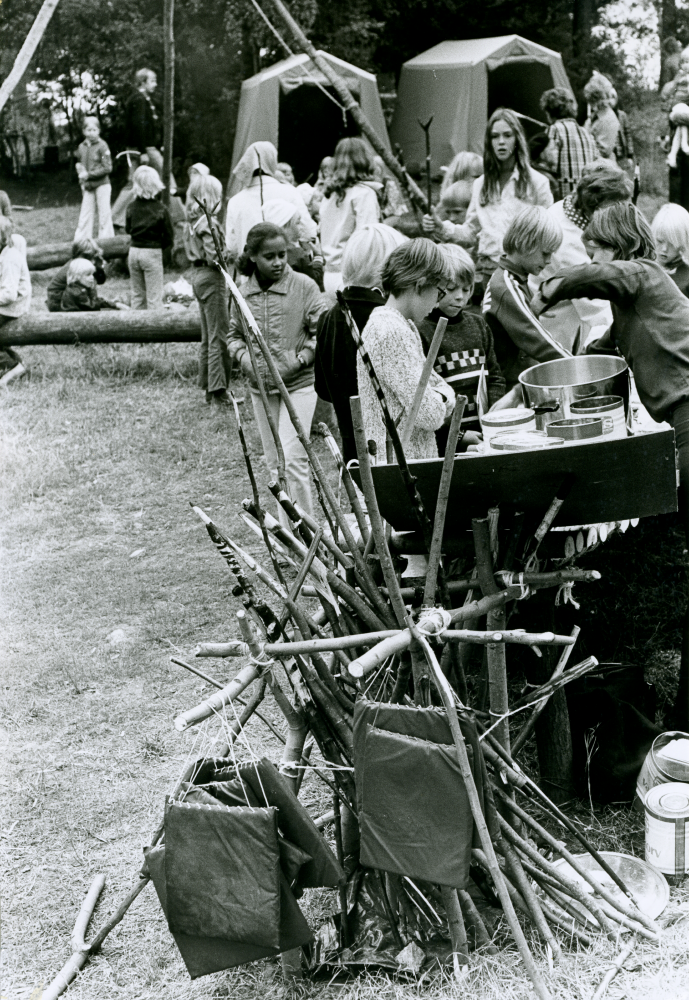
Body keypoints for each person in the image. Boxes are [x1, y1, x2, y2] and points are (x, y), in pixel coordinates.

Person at [531, 202, 689, 729]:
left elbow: (603, 275)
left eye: (594, 248)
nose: (591, 258)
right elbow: (593, 362)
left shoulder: (644, 276)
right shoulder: (631, 312)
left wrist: (556, 283)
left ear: (617, 247)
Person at [228, 222, 327, 525]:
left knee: (294, 459)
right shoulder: (242, 293)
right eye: (269, 256)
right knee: (275, 466)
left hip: (299, 384)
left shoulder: (304, 286)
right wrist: (246, 361)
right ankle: (292, 540)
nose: (278, 262)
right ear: (253, 257)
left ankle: (312, 538)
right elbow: (233, 336)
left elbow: (320, 331)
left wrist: (299, 359)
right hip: (261, 388)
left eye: (282, 254)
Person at [422, 108, 553, 290]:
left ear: (518, 139)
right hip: (489, 270)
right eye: (495, 136)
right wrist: (440, 226)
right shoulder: (481, 184)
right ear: (488, 141)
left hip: (524, 273)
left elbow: (550, 234)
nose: (501, 142)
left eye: (507, 135)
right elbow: (470, 232)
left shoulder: (537, 183)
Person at [315, 223, 407, 464]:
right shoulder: (386, 318)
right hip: (392, 449)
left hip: (352, 447)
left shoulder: (329, 317)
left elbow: (323, 389)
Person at [357, 238, 455, 461]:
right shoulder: (390, 332)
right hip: (399, 465)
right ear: (420, 284)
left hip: (408, 460)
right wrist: (444, 398)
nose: (438, 303)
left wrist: (440, 395)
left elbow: (436, 386)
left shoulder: (403, 326)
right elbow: (429, 413)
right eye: (439, 293)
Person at [531, 162, 632, 351]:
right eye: (616, 210)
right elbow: (599, 309)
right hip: (562, 329)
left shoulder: (570, 208)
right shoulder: (566, 241)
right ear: (596, 206)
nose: (621, 217)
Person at [419, 244, 505, 451]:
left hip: (484, 431)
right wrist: (458, 435)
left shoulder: (478, 325)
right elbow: (426, 397)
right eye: (450, 289)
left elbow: (494, 377)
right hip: (445, 440)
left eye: (466, 289)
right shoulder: (422, 331)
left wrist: (493, 419)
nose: (460, 296)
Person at [482, 205, 568, 393]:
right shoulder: (506, 286)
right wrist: (574, 365)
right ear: (525, 244)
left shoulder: (510, 278)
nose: (548, 261)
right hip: (507, 385)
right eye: (545, 253)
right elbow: (535, 338)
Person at [184, 173, 234, 405]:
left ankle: (208, 386)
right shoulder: (208, 222)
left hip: (197, 276)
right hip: (212, 278)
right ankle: (218, 390)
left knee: (207, 335)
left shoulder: (191, 223)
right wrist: (231, 256)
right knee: (219, 336)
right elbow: (215, 256)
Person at [225, 142, 316, 262]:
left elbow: (232, 247)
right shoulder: (290, 192)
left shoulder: (235, 201)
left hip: (251, 275)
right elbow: (309, 233)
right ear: (273, 161)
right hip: (286, 272)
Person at [319, 137, 381, 300]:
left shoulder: (329, 194)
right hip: (353, 277)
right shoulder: (363, 194)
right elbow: (368, 238)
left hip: (330, 274)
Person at [125, 165, 173, 310]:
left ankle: (135, 329)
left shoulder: (131, 207)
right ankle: (155, 330)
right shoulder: (161, 209)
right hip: (152, 251)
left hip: (134, 251)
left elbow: (128, 229)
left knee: (137, 296)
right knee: (154, 298)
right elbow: (169, 235)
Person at [540, 87, 599, 200]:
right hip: (585, 198)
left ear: (549, 111)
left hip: (564, 199)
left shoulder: (554, 130)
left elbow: (549, 166)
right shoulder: (586, 133)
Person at [261, 199, 324, 290]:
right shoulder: (296, 253)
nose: (302, 227)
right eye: (298, 223)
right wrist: (318, 256)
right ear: (284, 226)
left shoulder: (265, 250)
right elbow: (315, 280)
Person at [0, 217, 30, 388]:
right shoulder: (3, 254)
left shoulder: (10, 258)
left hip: (11, 307)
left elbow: (9, 294)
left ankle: (13, 367)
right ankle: (15, 362)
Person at [74, 116, 114, 242]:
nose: (91, 133)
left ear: (99, 130)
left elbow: (107, 167)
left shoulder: (102, 146)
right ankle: (82, 242)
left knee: (104, 214)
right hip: (88, 186)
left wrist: (89, 175)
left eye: (94, 130)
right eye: (89, 130)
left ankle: (107, 241)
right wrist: (79, 168)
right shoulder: (81, 146)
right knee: (85, 215)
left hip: (102, 184)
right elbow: (81, 163)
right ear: (84, 131)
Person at [47, 238, 107, 312]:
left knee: (89, 279)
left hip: (65, 297)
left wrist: (99, 268)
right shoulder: (76, 266)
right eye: (87, 256)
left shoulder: (83, 264)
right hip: (58, 301)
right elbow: (89, 287)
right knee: (88, 280)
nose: (90, 259)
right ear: (79, 254)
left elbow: (101, 280)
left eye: (92, 256)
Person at [652, 202, 689, 296]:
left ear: (682, 243)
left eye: (672, 244)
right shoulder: (644, 268)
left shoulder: (687, 279)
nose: (664, 249)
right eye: (659, 241)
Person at [584, 73, 620, 162]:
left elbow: (604, 151)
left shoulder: (608, 119)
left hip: (603, 170)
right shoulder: (594, 117)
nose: (592, 104)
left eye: (595, 99)